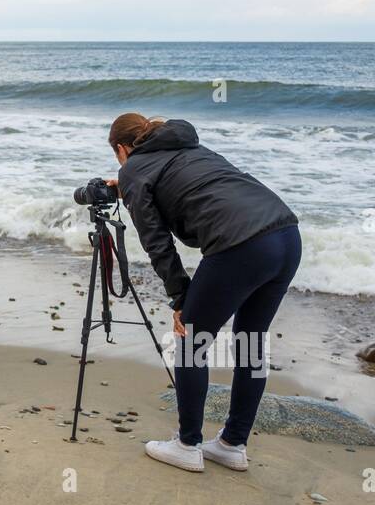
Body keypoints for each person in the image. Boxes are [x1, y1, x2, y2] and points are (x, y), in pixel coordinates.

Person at [108, 113, 301, 472]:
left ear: (121, 149)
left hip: (241, 244)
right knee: (250, 341)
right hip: (286, 234)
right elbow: (194, 186)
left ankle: (187, 444)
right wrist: (128, 187)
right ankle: (232, 444)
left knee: (190, 340)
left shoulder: (132, 169)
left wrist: (180, 298)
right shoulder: (187, 144)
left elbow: (157, 243)